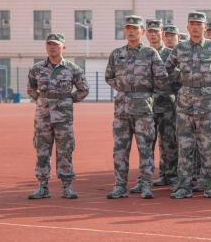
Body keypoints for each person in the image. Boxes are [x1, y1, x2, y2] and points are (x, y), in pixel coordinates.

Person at [163, 12, 211, 199]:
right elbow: (167, 68)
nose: (195, 27)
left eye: (199, 24)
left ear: (205, 27)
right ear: (187, 27)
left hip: (206, 104)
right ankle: (184, 187)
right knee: (184, 147)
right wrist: (181, 79)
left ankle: (210, 187)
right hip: (185, 104)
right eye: (192, 24)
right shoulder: (180, 48)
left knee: (208, 146)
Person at [104, 15, 168, 199]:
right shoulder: (117, 53)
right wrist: (124, 90)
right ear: (124, 31)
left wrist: (146, 92)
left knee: (145, 148)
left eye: (135, 28)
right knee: (120, 150)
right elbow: (109, 77)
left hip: (143, 110)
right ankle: (120, 186)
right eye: (128, 28)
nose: (131, 31)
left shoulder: (150, 53)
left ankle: (146, 185)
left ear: (143, 32)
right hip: (122, 110)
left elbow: (162, 77)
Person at [26, 33, 89, 199]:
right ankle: (43, 187)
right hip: (42, 117)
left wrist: (67, 101)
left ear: (63, 47)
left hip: (63, 119)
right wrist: (42, 100)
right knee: (42, 151)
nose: (52, 47)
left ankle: (67, 186)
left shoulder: (72, 68)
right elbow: (31, 89)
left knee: (65, 150)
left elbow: (84, 89)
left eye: (56, 44)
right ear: (46, 46)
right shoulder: (37, 68)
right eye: (49, 44)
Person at [145, 19, 179, 190]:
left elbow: (179, 79)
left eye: (156, 31)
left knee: (169, 143)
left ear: (162, 34)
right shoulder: (143, 54)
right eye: (150, 31)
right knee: (147, 144)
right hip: (146, 106)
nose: (153, 34)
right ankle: (146, 180)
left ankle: (171, 177)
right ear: (145, 34)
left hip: (167, 106)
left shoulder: (170, 54)